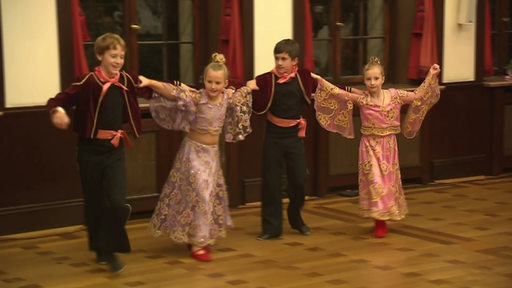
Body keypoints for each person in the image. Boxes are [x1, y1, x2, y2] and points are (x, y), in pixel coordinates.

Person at [47, 33, 153, 273]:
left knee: (116, 202)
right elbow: (58, 100)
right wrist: (58, 112)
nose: (118, 61)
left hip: (114, 149)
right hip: (89, 150)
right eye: (113, 56)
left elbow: (150, 88)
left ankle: (111, 251)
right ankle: (101, 250)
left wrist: (180, 92)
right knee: (94, 202)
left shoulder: (126, 79)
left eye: (121, 56)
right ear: (100, 55)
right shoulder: (87, 82)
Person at [140, 53, 254, 262]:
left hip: (211, 155)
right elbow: (172, 92)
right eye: (209, 81)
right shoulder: (196, 97)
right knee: (201, 192)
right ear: (204, 81)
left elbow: (243, 93)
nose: (212, 86)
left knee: (205, 195)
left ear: (225, 83)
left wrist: (252, 86)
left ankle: (195, 235)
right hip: (192, 153)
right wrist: (150, 82)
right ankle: (199, 243)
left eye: (217, 83)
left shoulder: (228, 97)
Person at [313, 57, 441, 238]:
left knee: (387, 183)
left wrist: (431, 75)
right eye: (368, 79)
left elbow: (418, 95)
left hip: (388, 146)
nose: (372, 83)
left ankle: (383, 219)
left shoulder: (395, 96)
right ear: (364, 81)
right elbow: (339, 93)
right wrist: (320, 80)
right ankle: (379, 221)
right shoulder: (362, 99)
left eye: (375, 79)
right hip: (369, 146)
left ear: (382, 79)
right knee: (374, 181)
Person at [246, 39, 359, 241]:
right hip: (273, 136)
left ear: (294, 60)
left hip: (294, 137)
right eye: (277, 58)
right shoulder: (266, 79)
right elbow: (245, 87)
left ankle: (296, 218)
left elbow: (329, 87)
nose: (279, 63)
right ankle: (271, 228)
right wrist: (240, 88)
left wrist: (356, 94)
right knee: (271, 182)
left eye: (284, 59)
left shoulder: (304, 78)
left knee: (299, 179)